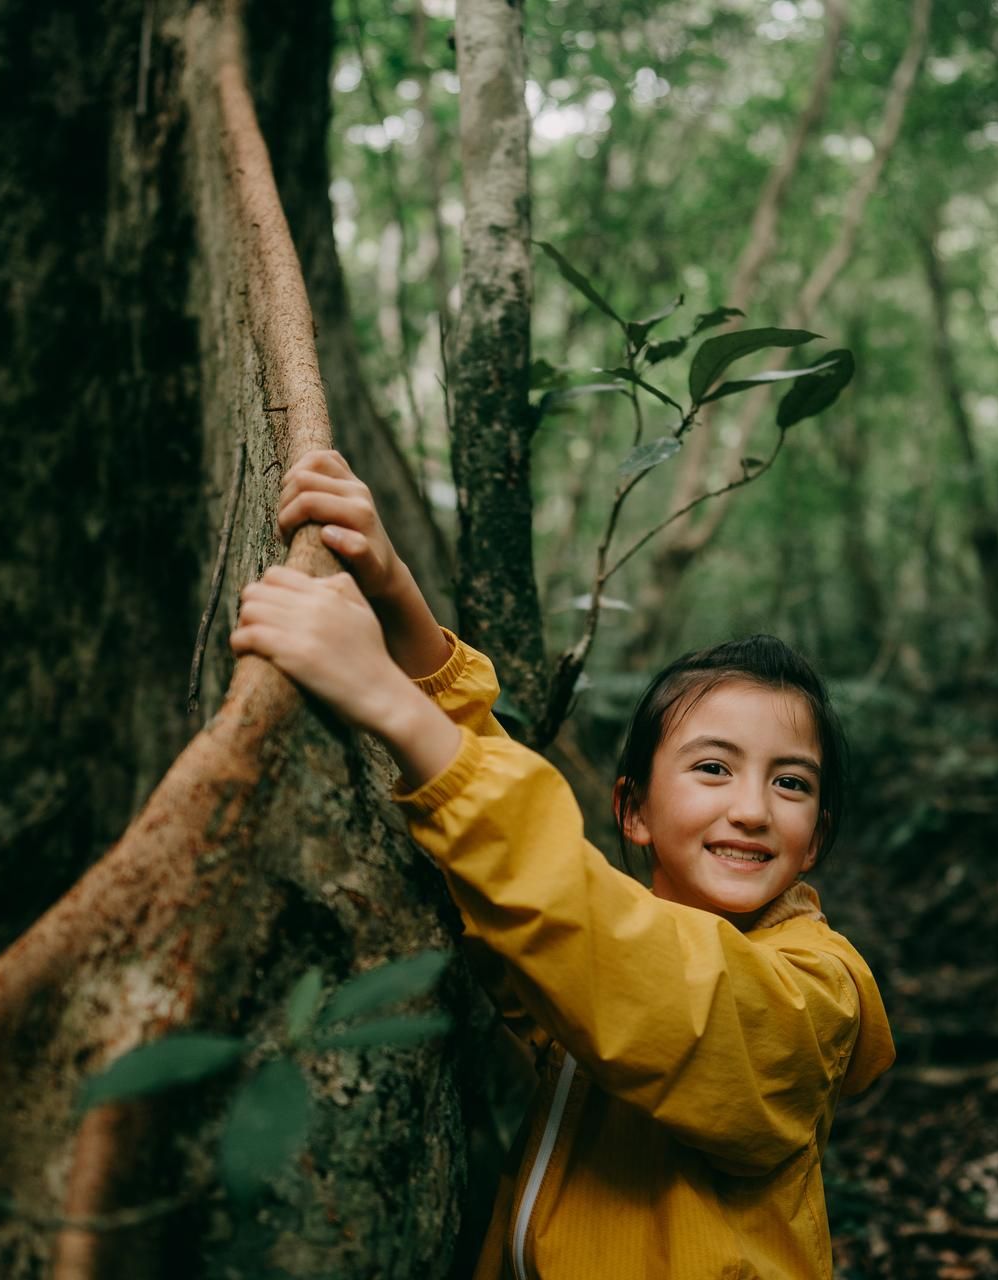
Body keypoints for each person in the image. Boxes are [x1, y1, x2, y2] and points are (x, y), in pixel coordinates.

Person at [231, 449, 895, 1280]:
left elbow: (654, 982)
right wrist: (396, 594)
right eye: (713, 768)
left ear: (816, 838)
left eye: (790, 783)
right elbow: (548, 912)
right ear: (634, 811)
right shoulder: (596, 957)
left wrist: (389, 703)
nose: (753, 808)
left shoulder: (818, 995)